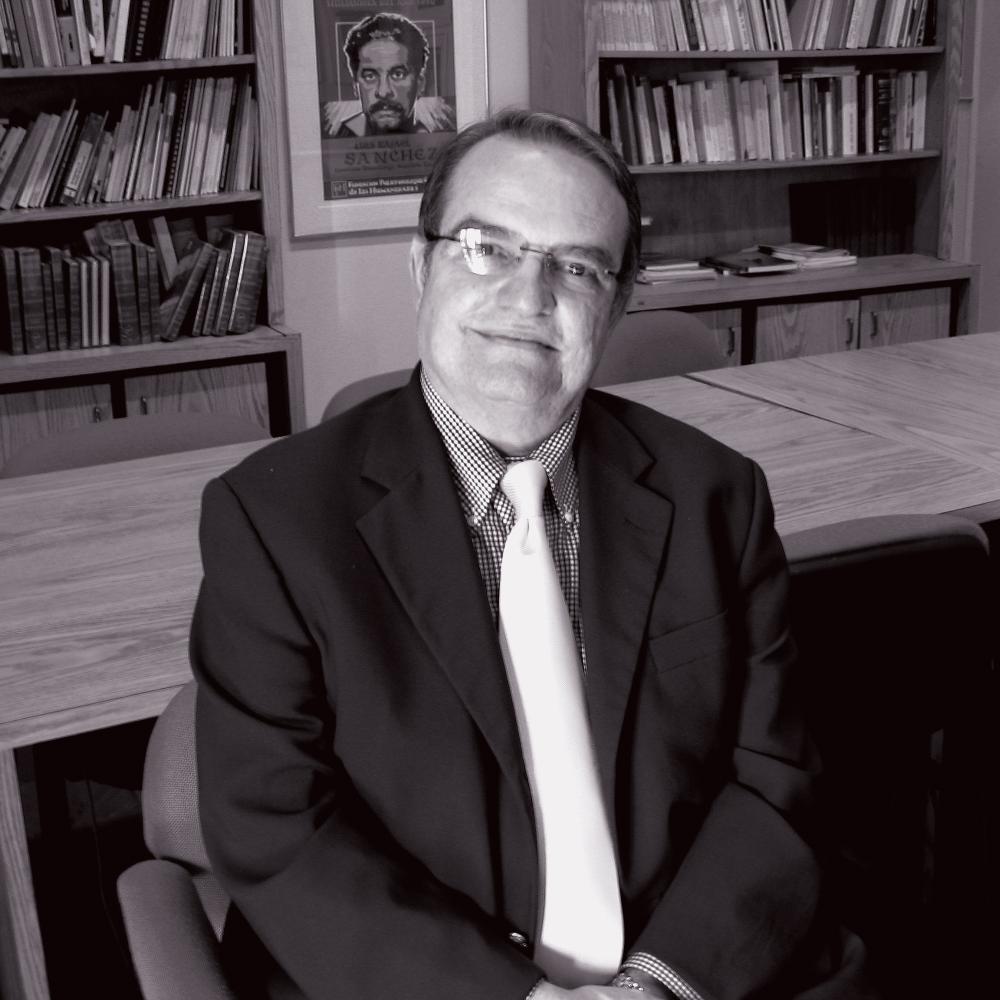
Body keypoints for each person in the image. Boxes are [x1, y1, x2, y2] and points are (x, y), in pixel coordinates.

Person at [192, 110, 873, 999]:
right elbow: (274, 827)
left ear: (618, 302)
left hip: (695, 970)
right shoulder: (275, 518)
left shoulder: (718, 494)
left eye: (577, 265)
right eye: (486, 247)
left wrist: (658, 986)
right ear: (419, 265)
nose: (528, 297)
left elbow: (775, 779)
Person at [328, 11, 445, 138]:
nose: (383, 92)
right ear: (356, 87)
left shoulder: (437, 142)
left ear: (421, 84)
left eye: (398, 74)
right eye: (370, 76)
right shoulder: (342, 135)